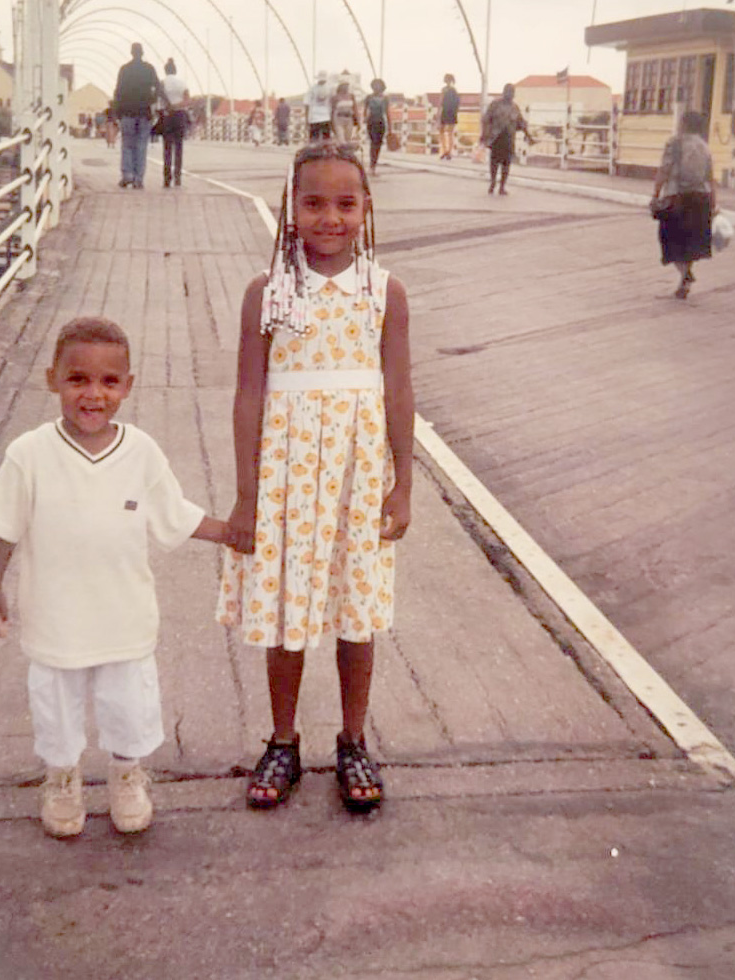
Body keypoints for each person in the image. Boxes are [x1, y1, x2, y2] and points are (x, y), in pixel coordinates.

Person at [0, 317, 230, 838]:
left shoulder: (141, 452)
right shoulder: (28, 455)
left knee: (128, 705)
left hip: (123, 616)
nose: (93, 394)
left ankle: (126, 774)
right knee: (56, 705)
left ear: (127, 387)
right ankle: (62, 779)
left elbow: (175, 515)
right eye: (78, 379)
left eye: (109, 382)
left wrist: (231, 531)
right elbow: (4, 526)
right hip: (56, 615)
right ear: (53, 380)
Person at [217, 141, 414, 814]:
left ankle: (354, 739)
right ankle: (282, 739)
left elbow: (398, 392)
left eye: (345, 203)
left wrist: (403, 483)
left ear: (365, 208)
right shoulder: (266, 295)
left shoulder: (384, 292)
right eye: (313, 202)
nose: (329, 216)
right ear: (290, 207)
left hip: (359, 477)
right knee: (286, 609)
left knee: (355, 609)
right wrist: (246, 495)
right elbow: (248, 395)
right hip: (287, 477)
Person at [651, 110, 717, 300]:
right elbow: (710, 177)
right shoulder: (705, 146)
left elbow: (664, 170)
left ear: (684, 124)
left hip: (677, 198)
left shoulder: (674, 143)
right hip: (701, 198)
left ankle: (685, 275)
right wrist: (714, 202)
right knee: (689, 242)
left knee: (669, 239)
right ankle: (685, 279)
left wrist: (655, 194)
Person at [113, 42, 159, 189]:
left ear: (131, 53)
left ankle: (127, 175)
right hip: (144, 112)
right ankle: (139, 178)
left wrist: (117, 112)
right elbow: (158, 88)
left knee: (127, 144)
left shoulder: (124, 70)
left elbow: (118, 92)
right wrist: (152, 102)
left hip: (127, 112)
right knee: (141, 145)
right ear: (142, 53)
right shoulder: (149, 69)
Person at [480, 82, 534, 195]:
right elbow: (486, 120)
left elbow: (521, 123)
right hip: (496, 137)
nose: (510, 95)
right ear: (503, 92)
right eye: (508, 92)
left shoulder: (515, 107)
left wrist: (529, 136)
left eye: (512, 92)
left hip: (509, 138)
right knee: (494, 162)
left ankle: (502, 187)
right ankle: (493, 182)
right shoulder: (495, 104)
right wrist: (484, 135)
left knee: (506, 164)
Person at [159, 57, 191, 188]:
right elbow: (187, 100)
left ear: (165, 71)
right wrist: (177, 105)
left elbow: (157, 99)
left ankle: (167, 178)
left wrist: (169, 106)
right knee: (179, 147)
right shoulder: (182, 83)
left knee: (167, 147)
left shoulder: (162, 83)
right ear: (175, 70)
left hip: (167, 115)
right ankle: (178, 176)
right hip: (180, 115)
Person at [363, 78, 391, 177]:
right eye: (375, 85)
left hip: (380, 122)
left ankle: (374, 165)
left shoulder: (385, 98)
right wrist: (364, 119)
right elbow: (365, 110)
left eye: (379, 86)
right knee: (373, 143)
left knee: (378, 144)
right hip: (371, 121)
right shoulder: (368, 97)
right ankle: (371, 165)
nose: (377, 88)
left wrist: (390, 127)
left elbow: (387, 112)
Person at [304, 70, 333, 140]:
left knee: (316, 139)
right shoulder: (329, 88)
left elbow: (306, 104)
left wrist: (306, 119)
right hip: (322, 117)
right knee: (325, 139)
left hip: (318, 117)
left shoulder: (312, 88)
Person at [438, 73, 460, 160]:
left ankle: (444, 150)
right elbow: (457, 103)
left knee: (442, 131)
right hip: (452, 113)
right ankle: (449, 151)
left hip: (445, 112)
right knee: (450, 133)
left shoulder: (444, 90)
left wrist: (438, 113)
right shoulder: (455, 90)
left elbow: (440, 102)